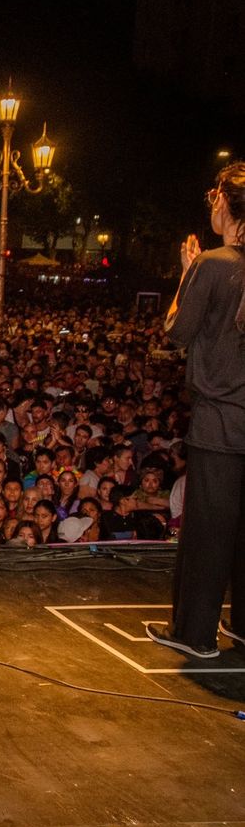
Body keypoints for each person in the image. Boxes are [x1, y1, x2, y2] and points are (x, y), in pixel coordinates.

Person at [148, 167, 245, 658]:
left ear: (225, 203)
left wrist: (187, 276)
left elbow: (175, 332)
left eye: (213, 195)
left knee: (207, 531)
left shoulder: (213, 263)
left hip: (221, 421)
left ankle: (194, 633)